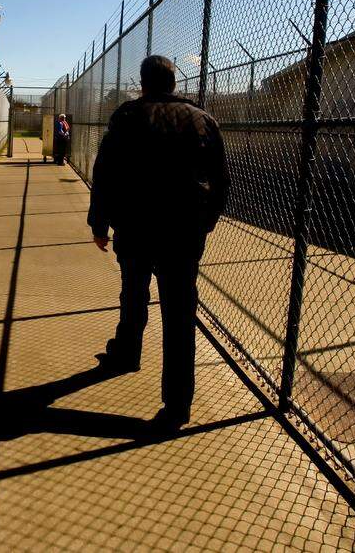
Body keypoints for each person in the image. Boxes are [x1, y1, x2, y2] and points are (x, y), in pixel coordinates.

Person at [87, 55, 230, 430]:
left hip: (136, 225)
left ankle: (127, 352)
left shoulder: (128, 116)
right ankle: (178, 403)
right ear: (174, 82)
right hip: (183, 230)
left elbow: (106, 171)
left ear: (143, 82)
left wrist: (99, 222)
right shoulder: (203, 120)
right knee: (180, 313)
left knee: (133, 291)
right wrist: (207, 221)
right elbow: (221, 179)